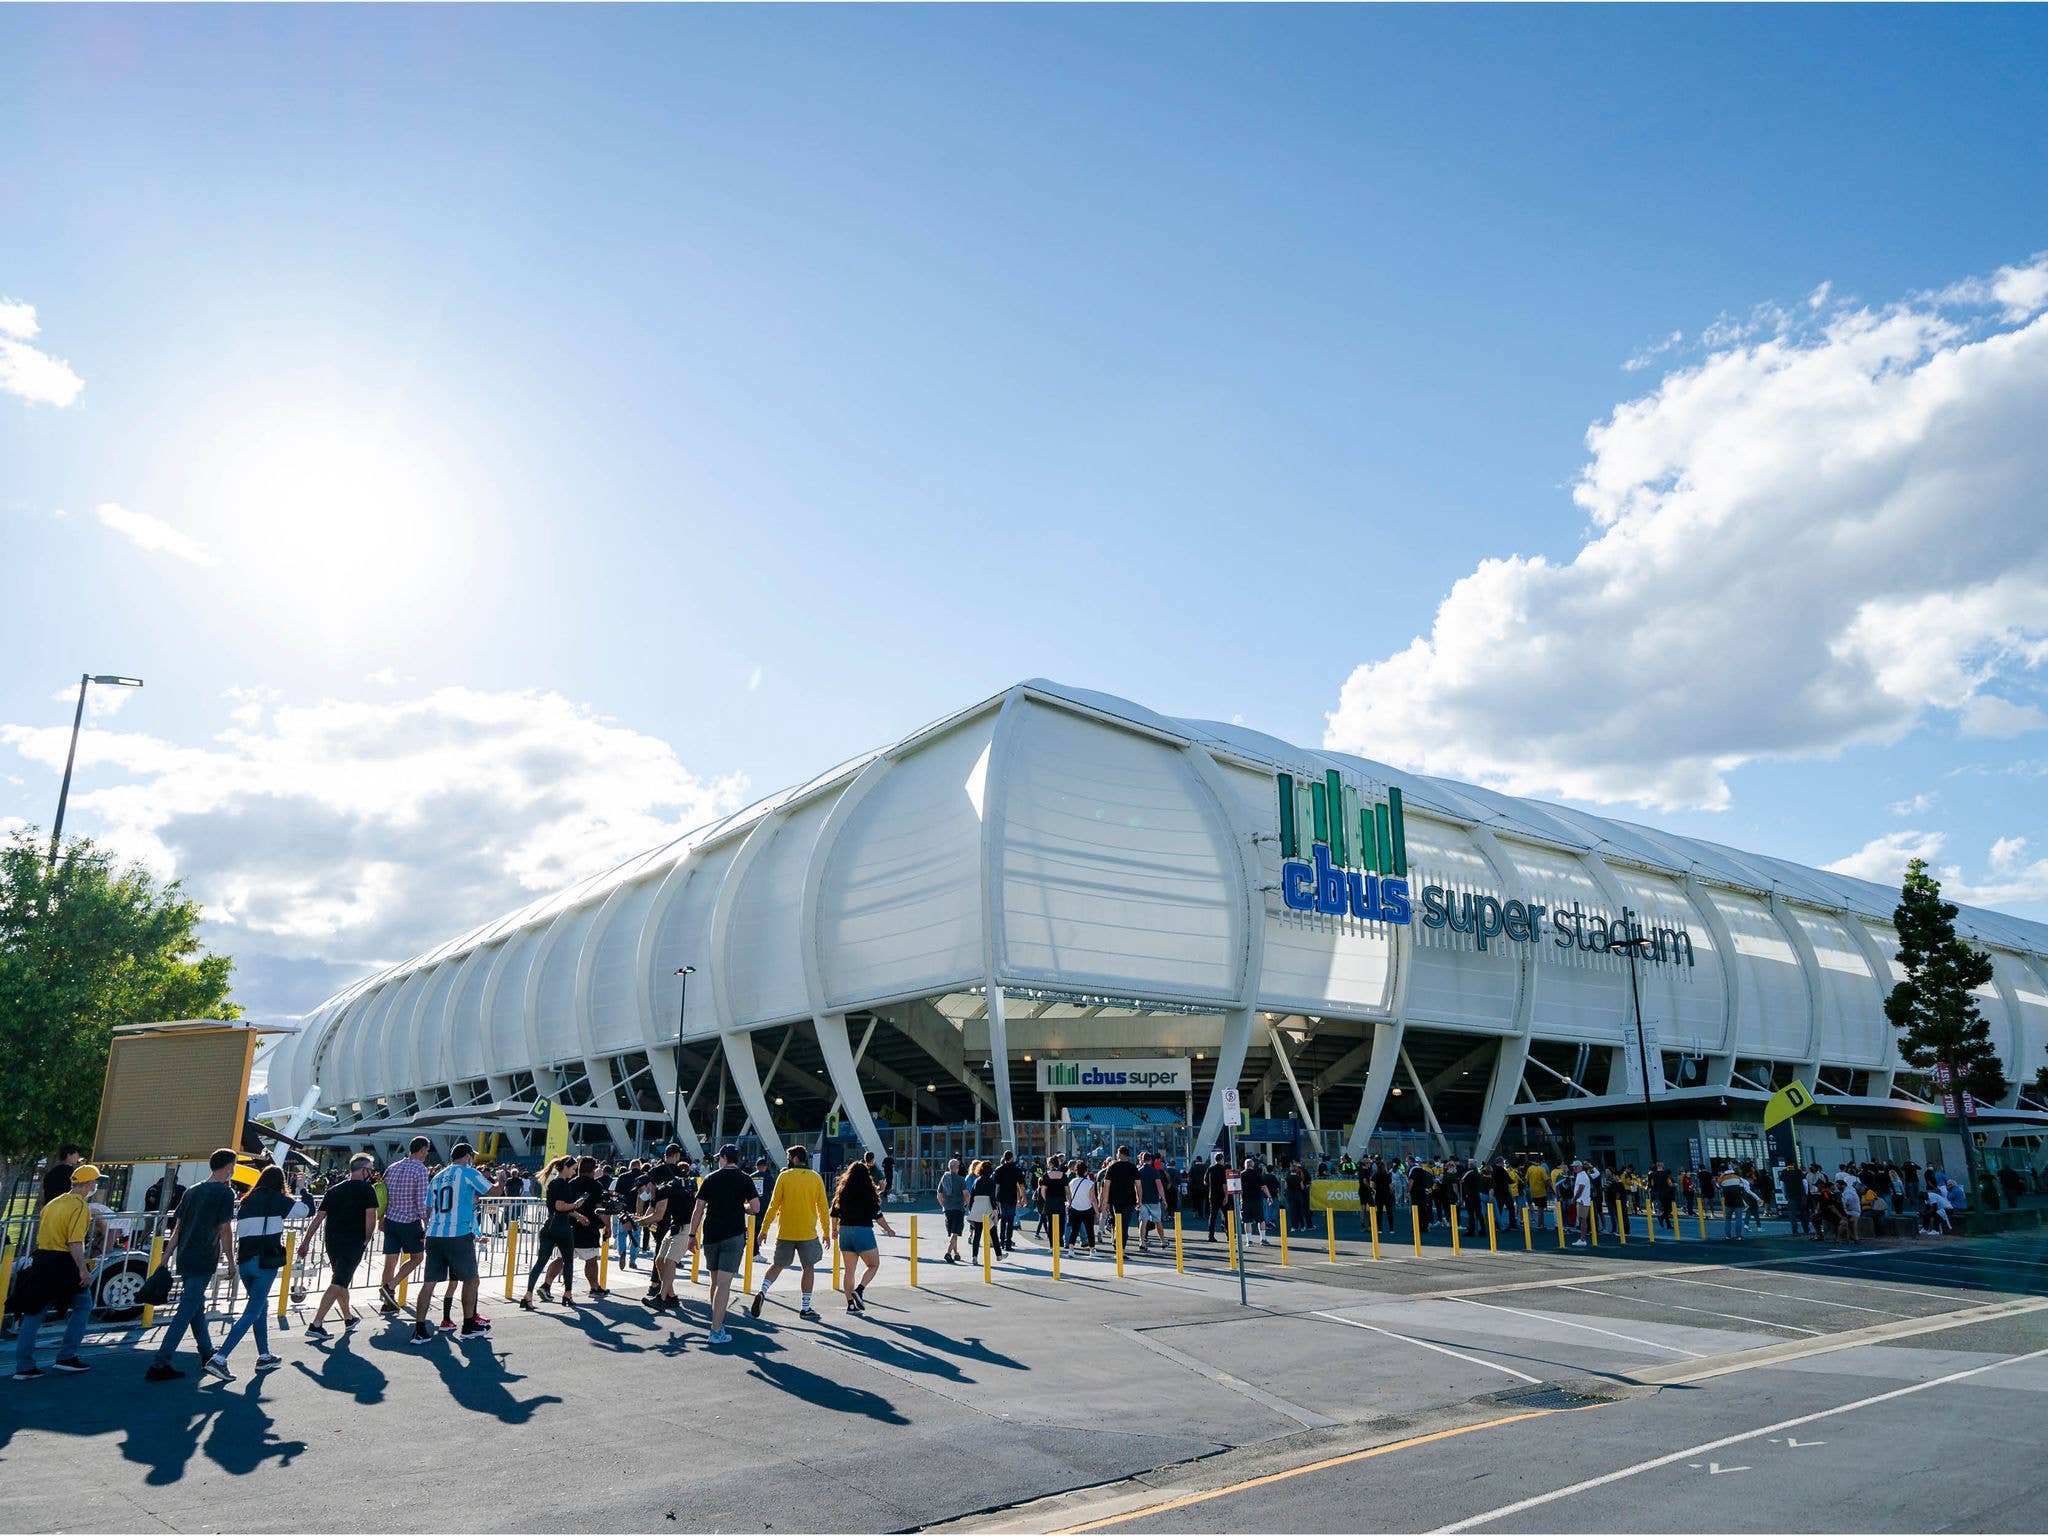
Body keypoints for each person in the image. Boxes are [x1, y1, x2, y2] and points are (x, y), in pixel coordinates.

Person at [147, 1149, 239, 1382]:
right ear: (229, 1166)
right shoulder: (225, 1193)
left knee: (196, 1306)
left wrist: (166, 1257)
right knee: (187, 1309)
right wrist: (230, 1260)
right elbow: (224, 1229)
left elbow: (177, 1228)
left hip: (185, 1256)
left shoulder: (192, 1190)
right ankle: (161, 1361)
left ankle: (207, 1354)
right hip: (204, 1256)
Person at [210, 1165, 306, 1375]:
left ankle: (264, 1355)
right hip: (265, 1261)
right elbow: (305, 1211)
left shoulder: (246, 1201)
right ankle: (220, 1357)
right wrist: (302, 1190)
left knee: (261, 1306)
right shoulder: (276, 1199)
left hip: (245, 1261)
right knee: (252, 1311)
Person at [12, 1162, 103, 1380]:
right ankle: (67, 1356)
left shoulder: (53, 1204)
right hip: (63, 1261)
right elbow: (75, 1242)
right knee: (83, 1304)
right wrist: (83, 1269)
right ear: (89, 1184)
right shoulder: (80, 1207)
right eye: (95, 1182)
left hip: (42, 1259)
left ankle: (23, 1365)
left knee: (35, 1311)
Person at [409, 1142, 496, 1344]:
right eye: (471, 1157)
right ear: (467, 1156)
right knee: (471, 1279)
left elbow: (428, 1209)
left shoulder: (437, 1177)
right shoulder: (467, 1172)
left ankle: (420, 1329)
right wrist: (500, 1181)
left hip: (435, 1233)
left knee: (429, 1283)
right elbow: (493, 1192)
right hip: (458, 1233)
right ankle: (468, 1325)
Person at [686, 1145, 759, 1345]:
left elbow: (698, 1209)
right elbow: (755, 1208)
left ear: (725, 1158)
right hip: (733, 1234)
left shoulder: (710, 1178)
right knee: (724, 1284)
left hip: (711, 1234)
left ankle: (716, 1322)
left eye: (720, 1157)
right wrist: (741, 1207)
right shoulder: (745, 1179)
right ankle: (716, 1330)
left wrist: (692, 1235)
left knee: (715, 1282)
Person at [749, 1143, 828, 1323]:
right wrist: (826, 1231)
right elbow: (823, 1207)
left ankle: (762, 1291)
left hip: (785, 1231)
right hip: (807, 1232)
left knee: (777, 1265)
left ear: (794, 1159)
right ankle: (805, 1307)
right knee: (808, 1268)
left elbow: (773, 1205)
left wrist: (764, 1230)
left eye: (788, 1158)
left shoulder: (784, 1177)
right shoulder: (815, 1178)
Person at [304, 1154, 381, 1337]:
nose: (371, 1173)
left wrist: (307, 1240)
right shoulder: (367, 1190)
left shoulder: (334, 1190)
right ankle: (316, 1323)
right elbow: (371, 1216)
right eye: (370, 1169)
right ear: (364, 1170)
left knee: (341, 1280)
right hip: (353, 1241)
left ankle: (348, 1317)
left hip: (332, 1241)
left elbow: (319, 1217)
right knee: (338, 1281)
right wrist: (367, 1238)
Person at [522, 1155, 591, 1307]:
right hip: (562, 1227)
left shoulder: (552, 1183)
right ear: (566, 1168)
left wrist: (578, 1215)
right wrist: (576, 1205)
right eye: (573, 1169)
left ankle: (527, 1296)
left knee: (541, 1262)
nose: (574, 1172)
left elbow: (556, 1208)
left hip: (549, 1226)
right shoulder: (563, 1184)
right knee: (568, 1261)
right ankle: (567, 1295)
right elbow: (561, 1206)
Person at [829, 1159, 894, 1315]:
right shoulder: (868, 1193)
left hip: (845, 1231)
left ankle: (850, 1305)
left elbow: (834, 1213)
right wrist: (889, 1230)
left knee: (849, 1271)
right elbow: (878, 1216)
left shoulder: (842, 1192)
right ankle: (860, 1289)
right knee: (873, 1265)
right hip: (863, 1231)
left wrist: (834, 1230)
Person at [635, 1145, 696, 1313]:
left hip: (684, 1225)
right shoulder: (664, 1185)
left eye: (643, 1191)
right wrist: (640, 1219)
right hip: (673, 1225)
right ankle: (671, 1296)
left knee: (669, 1261)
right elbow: (653, 1210)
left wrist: (640, 1221)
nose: (643, 1195)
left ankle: (661, 1298)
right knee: (659, 1260)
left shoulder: (662, 1189)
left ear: (650, 1184)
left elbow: (658, 1215)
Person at [377, 1136, 433, 1315]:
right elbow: (421, 1200)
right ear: (423, 1149)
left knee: (390, 1262)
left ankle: (387, 1302)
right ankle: (391, 1286)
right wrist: (426, 1223)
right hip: (409, 1221)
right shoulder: (420, 1169)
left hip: (391, 1219)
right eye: (427, 1150)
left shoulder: (393, 1167)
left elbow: (383, 1194)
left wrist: (381, 1217)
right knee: (417, 1257)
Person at [1100, 1146, 1142, 1252]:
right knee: (1124, 1225)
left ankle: (1116, 1241)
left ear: (1120, 1154)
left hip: (1115, 1200)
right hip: (1129, 1200)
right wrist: (1139, 1200)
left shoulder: (1112, 1167)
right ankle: (1121, 1248)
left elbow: (1107, 1185)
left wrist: (1105, 1202)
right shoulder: (1133, 1167)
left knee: (1117, 1222)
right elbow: (1138, 1185)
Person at [992, 1150, 1027, 1255]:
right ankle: (1008, 1243)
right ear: (1011, 1158)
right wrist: (1023, 1198)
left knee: (1003, 1218)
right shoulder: (1016, 1170)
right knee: (1010, 1219)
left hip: (1001, 1196)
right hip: (1011, 1196)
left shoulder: (998, 1170)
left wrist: (994, 1198)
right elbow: (1021, 1185)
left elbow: (996, 1185)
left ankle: (1001, 1241)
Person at [965, 1159, 998, 1262]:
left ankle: (974, 1257)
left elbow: (972, 1196)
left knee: (977, 1234)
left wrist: (971, 1209)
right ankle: (999, 1254)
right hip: (987, 1208)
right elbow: (992, 1198)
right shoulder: (991, 1182)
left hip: (977, 1208)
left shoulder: (976, 1181)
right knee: (993, 1232)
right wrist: (995, 1210)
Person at [937, 1157, 968, 1264]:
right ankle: (948, 1253)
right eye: (958, 1166)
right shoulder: (961, 1179)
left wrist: (943, 1206)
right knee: (955, 1232)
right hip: (958, 1208)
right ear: (956, 1168)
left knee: (952, 1232)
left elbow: (939, 1195)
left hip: (948, 1209)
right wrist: (968, 1204)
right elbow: (966, 1194)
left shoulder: (944, 1178)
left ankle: (956, 1253)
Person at [36, 1145, 85, 1210]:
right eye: (77, 1154)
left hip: (50, 1206)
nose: (78, 1157)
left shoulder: (53, 1171)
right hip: (62, 1207)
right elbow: (71, 1190)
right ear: (68, 1155)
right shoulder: (69, 1171)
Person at [1136, 1153, 1168, 1251]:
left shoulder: (1139, 1171)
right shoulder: (1155, 1171)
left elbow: (1137, 1187)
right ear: (1151, 1160)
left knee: (1143, 1221)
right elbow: (1159, 1185)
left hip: (1143, 1200)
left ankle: (1142, 1242)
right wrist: (1163, 1199)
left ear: (1142, 1159)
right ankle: (1162, 1241)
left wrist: (1138, 1200)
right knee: (1158, 1221)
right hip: (1154, 1200)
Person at [1039, 1157, 1070, 1248]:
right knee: (1061, 1222)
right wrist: (1069, 1201)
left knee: (1051, 1223)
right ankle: (1059, 1238)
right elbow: (1067, 1190)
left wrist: (1046, 1199)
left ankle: (1052, 1245)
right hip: (1060, 1200)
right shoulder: (1063, 1175)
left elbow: (1043, 1190)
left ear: (1050, 1164)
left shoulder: (1046, 1175)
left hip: (1050, 1201)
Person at [1067, 1160, 1098, 1249]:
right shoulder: (1090, 1183)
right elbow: (1093, 1199)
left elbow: (1069, 1194)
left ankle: (1071, 1249)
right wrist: (1097, 1212)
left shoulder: (1072, 1182)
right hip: (1087, 1209)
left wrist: (1069, 1203)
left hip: (1075, 1208)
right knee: (1090, 1231)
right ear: (1085, 1172)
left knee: (1074, 1231)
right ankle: (1092, 1250)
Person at [1205, 1152, 1229, 1241]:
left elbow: (1205, 1181)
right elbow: (1224, 1184)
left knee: (1213, 1216)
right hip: (1222, 1195)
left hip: (1213, 1195)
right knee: (1226, 1215)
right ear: (1222, 1159)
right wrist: (1226, 1196)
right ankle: (1229, 1235)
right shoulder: (1223, 1169)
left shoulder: (1210, 1168)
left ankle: (1211, 1236)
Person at [1569, 1160, 1593, 1247]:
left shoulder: (1582, 1176)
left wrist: (1574, 1198)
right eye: (1573, 1167)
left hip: (1582, 1201)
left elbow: (1580, 1189)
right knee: (1582, 1220)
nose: (1574, 1168)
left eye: (1576, 1166)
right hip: (1582, 1200)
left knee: (1582, 1220)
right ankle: (1582, 1238)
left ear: (1580, 1167)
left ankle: (1583, 1239)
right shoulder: (1580, 1175)